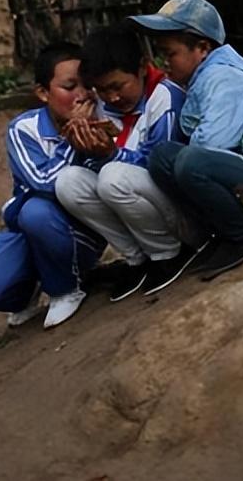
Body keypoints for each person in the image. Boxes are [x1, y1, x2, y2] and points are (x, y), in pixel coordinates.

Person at [128, 0, 243, 281]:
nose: (164, 63)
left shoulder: (223, 78)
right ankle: (220, 234)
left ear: (203, 48)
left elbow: (212, 146)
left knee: (191, 162)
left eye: (171, 54)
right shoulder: (204, 78)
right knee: (163, 157)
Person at [0, 42, 106, 329]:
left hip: (80, 230)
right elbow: (45, 182)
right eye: (69, 86)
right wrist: (72, 141)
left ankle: (65, 289)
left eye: (86, 84)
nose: (82, 95)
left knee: (35, 212)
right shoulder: (25, 129)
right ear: (43, 93)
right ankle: (26, 292)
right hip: (30, 231)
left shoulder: (103, 118)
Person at [54, 24, 197, 302]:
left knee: (114, 176)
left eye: (118, 86)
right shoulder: (102, 106)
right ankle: (137, 259)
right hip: (141, 205)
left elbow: (160, 168)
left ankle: (169, 254)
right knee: (68, 181)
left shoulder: (165, 98)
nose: (112, 97)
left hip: (181, 212)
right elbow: (94, 169)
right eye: (103, 90)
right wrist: (81, 143)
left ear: (143, 67)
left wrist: (109, 154)